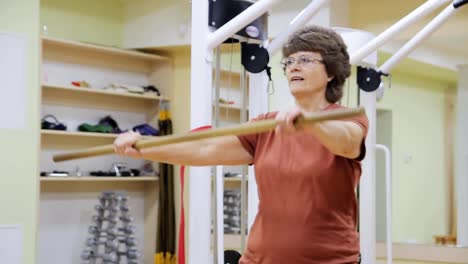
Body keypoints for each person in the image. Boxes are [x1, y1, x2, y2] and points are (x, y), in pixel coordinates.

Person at [114, 25, 368, 264]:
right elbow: (205, 149)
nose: (293, 67)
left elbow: (346, 143)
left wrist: (311, 122)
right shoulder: (266, 126)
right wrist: (144, 147)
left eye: (305, 60)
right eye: (289, 61)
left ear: (331, 72)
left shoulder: (346, 117)